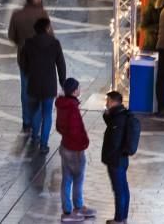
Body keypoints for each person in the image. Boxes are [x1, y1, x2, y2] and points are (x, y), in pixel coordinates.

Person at [19, 17, 66, 152]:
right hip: (49, 84)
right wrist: (62, 82)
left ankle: (35, 136)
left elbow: (24, 63)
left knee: (35, 110)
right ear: (47, 28)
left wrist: (28, 73)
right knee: (47, 114)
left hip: (33, 83)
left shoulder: (28, 43)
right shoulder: (55, 43)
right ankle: (44, 144)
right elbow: (61, 64)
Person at [7, 0, 49, 134]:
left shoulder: (17, 15)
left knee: (25, 90)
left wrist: (21, 43)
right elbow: (50, 36)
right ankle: (37, 121)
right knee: (39, 91)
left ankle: (26, 121)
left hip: (24, 58)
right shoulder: (42, 14)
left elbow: (11, 36)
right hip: (41, 60)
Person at [55, 78, 95, 222]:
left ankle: (72, 208)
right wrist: (84, 142)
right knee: (77, 178)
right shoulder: (72, 107)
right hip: (74, 149)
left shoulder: (62, 104)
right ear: (73, 91)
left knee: (67, 178)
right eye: (78, 88)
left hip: (65, 146)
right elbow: (75, 130)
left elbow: (59, 127)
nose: (80, 89)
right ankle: (72, 210)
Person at [102, 91, 135, 224]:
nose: (106, 103)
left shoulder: (118, 119)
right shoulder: (121, 114)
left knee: (119, 191)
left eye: (108, 101)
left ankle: (119, 219)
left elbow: (114, 141)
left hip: (116, 160)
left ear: (113, 102)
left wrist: (108, 156)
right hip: (122, 159)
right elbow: (112, 125)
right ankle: (123, 217)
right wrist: (106, 115)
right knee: (124, 189)